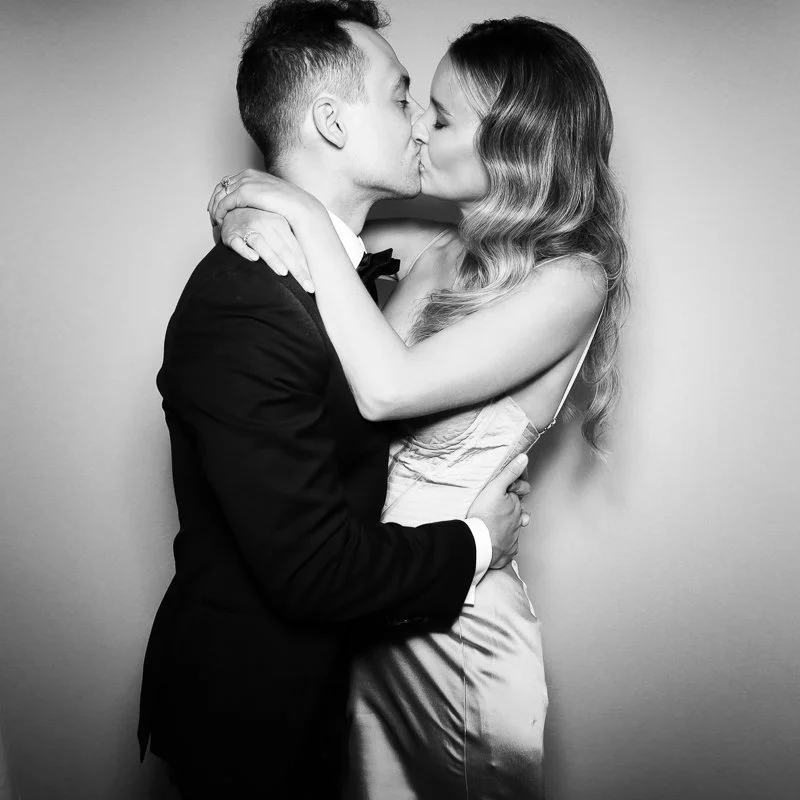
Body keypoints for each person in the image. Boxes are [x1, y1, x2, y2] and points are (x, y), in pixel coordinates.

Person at [208, 11, 629, 800]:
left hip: (457, 627)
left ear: (515, 142)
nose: (419, 132)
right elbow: (334, 382)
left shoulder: (574, 280)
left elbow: (386, 389)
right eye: (415, 108)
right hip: (370, 609)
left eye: (440, 117)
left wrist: (298, 211)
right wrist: (247, 210)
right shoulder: (437, 256)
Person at [137, 2, 531, 799]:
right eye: (401, 96)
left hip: (325, 697)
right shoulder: (247, 303)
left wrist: (252, 201)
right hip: (251, 720)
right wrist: (479, 543)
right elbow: (314, 571)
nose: (422, 123)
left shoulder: (327, 279)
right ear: (331, 121)